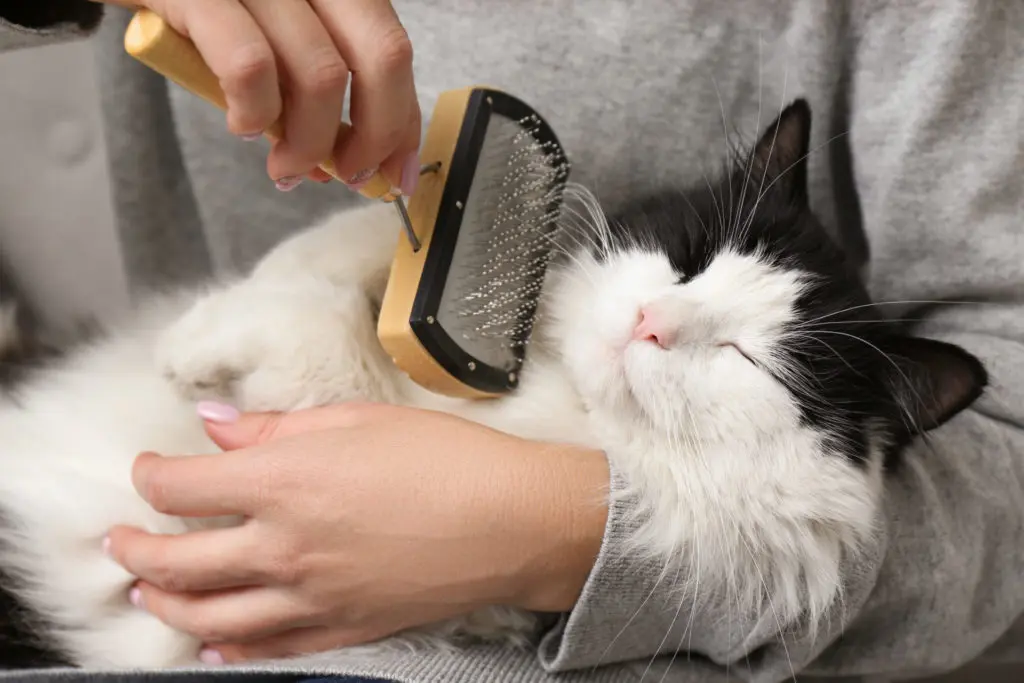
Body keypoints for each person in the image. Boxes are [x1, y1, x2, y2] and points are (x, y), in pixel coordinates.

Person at [1, 1, 1022, 682]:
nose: (656, 319)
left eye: (745, 357)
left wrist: (569, 532)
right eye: (676, 267)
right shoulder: (567, 304)